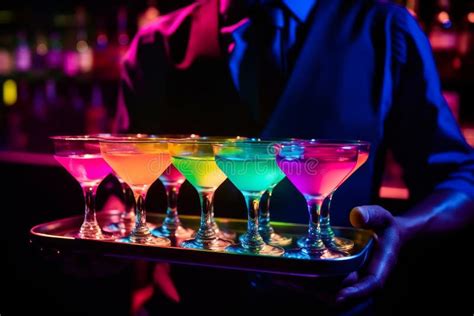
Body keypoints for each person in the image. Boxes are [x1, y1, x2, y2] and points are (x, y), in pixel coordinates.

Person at [113, 0, 474, 313]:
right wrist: (107, 227)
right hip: (184, 307)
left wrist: (404, 230)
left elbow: (460, 175)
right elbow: (127, 181)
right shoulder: (154, 46)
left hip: (332, 307)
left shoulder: (384, 29)